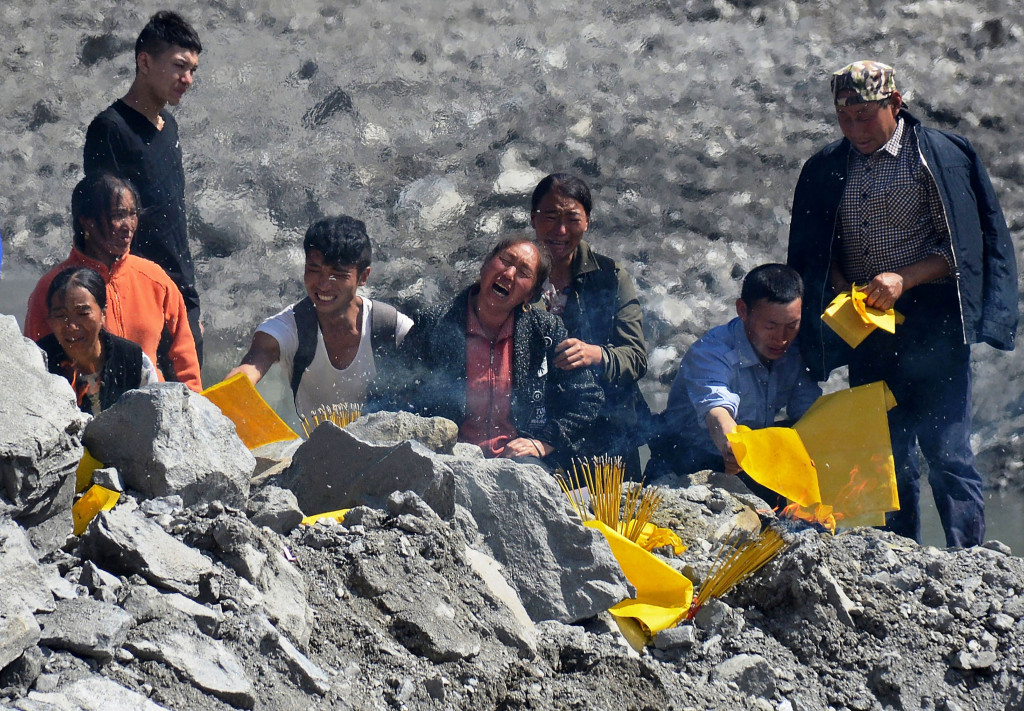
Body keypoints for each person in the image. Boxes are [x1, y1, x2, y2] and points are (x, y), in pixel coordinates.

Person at [787, 60, 1018, 547]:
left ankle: (968, 558)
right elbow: (816, 248)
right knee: (884, 455)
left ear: (895, 103)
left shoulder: (937, 158)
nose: (855, 130)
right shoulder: (828, 167)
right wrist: (843, 287)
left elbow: (962, 249)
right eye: (845, 120)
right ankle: (899, 556)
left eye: (866, 117)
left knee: (947, 448)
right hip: (867, 326)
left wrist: (903, 278)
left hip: (933, 322)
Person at [372, 237, 604, 469]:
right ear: (485, 265)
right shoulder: (434, 323)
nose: (509, 274)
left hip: (517, 464)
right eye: (505, 261)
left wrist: (543, 441)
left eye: (524, 272)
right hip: (445, 459)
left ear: (531, 295)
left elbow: (588, 399)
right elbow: (389, 389)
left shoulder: (544, 332)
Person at [83, 10, 204, 361]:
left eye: (193, 70)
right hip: (136, 295)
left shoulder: (170, 124)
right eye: (180, 66)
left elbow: (172, 218)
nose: (188, 79)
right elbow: (100, 224)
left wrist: (191, 306)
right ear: (145, 62)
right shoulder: (110, 129)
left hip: (180, 290)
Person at [648, 265, 821, 500]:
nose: (781, 339)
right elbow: (717, 411)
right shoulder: (711, 352)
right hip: (688, 460)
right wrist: (732, 445)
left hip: (754, 461)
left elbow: (809, 413)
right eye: (770, 326)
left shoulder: (797, 349)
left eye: (791, 326)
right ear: (743, 310)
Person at [25, 173, 201, 391]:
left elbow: (183, 356)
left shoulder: (155, 279)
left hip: (150, 411)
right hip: (81, 415)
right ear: (86, 221)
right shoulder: (52, 288)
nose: (128, 226)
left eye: (132, 214)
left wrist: (193, 404)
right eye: (118, 216)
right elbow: (34, 364)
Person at [228, 215, 413, 420]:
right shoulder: (288, 328)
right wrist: (227, 398)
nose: (323, 285)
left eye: (339, 275)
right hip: (311, 450)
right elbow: (247, 371)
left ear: (363, 277)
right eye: (314, 270)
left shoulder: (391, 327)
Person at [529, 174, 649, 477]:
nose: (560, 230)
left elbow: (635, 358)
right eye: (551, 217)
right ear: (533, 218)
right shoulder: (515, 274)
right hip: (537, 431)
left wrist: (598, 355)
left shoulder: (611, 276)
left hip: (607, 432)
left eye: (572, 218)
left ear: (588, 222)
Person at [36, 267, 159, 414]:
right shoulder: (37, 363)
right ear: (50, 320)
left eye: (82, 313)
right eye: (61, 316)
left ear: (103, 315)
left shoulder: (134, 363)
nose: (72, 326)